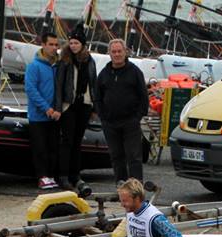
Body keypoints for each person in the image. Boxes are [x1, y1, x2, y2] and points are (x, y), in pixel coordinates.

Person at [96, 38, 149, 184]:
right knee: (116, 157)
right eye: (114, 52)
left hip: (130, 122)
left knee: (134, 157)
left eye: (120, 51)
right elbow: (97, 97)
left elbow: (143, 96)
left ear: (125, 52)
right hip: (110, 123)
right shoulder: (104, 74)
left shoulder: (135, 72)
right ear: (109, 53)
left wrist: (137, 117)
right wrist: (103, 117)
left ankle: (137, 188)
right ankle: (121, 187)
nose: (117, 54)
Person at [54, 24, 97, 191]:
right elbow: (59, 85)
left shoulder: (89, 60)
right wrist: (58, 107)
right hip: (68, 105)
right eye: (71, 43)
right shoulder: (64, 60)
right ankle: (63, 175)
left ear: (83, 45)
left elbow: (93, 84)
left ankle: (76, 175)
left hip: (84, 104)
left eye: (76, 43)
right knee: (67, 141)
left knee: (78, 142)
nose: (73, 46)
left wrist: (94, 107)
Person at [24, 31, 61, 190]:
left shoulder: (58, 65)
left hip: (55, 115)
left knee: (53, 147)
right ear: (43, 45)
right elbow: (31, 89)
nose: (54, 48)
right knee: (40, 148)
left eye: (56, 45)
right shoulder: (34, 66)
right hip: (39, 116)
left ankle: (51, 175)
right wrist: (46, 108)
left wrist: (58, 109)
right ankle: (42, 177)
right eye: (51, 44)